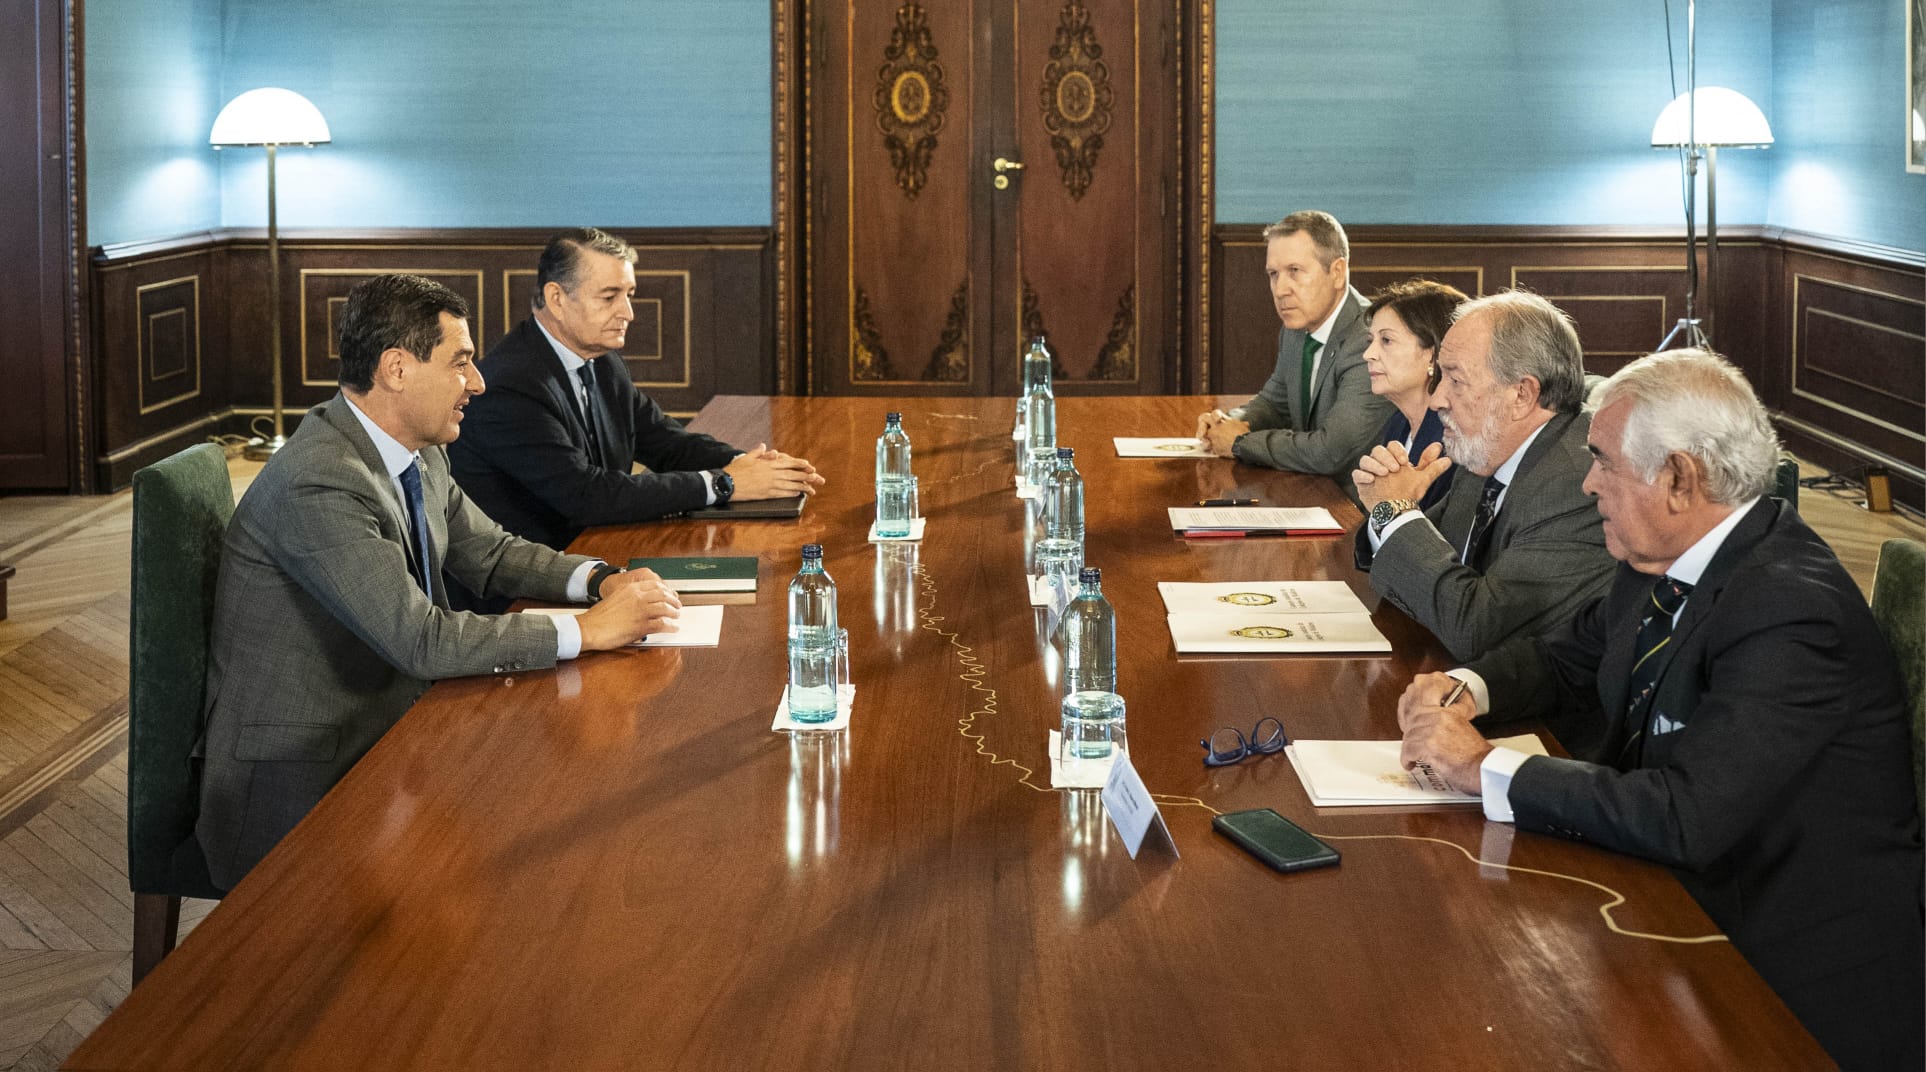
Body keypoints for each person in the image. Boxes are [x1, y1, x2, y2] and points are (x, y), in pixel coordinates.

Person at [1396, 349, 1924, 1071]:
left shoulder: (1791, 611)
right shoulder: (1661, 555)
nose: (1588, 485)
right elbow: (1566, 658)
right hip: (1664, 901)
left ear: (1679, 477)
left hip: (1777, 970)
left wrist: (1484, 766)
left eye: (1603, 462)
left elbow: (1686, 814)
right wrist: (1464, 687)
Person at [194, 274, 683, 891]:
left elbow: (493, 553)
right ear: (397, 369)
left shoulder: (418, 448)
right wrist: (586, 631)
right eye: (461, 363)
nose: (477, 383)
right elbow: (420, 641)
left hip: (392, 727)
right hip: (303, 779)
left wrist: (602, 580)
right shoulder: (319, 481)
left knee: (562, 825)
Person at [448, 228, 824, 554]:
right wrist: (724, 484)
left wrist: (747, 465)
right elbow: (588, 496)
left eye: (629, 294)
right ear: (557, 298)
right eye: (609, 297)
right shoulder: (511, 384)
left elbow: (665, 442)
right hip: (527, 587)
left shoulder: (602, 361)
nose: (628, 312)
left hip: (600, 548)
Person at [1352, 290, 1613, 661]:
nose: (1437, 399)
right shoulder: (1486, 452)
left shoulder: (1576, 486)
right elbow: (1422, 568)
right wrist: (1393, 510)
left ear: (1522, 394)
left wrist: (1394, 512)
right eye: (1441, 377)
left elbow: (1475, 629)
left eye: (1455, 381)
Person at [1195, 211, 1391, 484]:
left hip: (1356, 505)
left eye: (1294, 272)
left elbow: (1331, 451)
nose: (1280, 289)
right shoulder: (1296, 330)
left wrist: (1240, 441)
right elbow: (1275, 404)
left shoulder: (1370, 338)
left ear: (1337, 273)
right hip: (1308, 489)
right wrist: (1228, 423)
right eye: (1274, 274)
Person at [1359, 278, 1467, 513]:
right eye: (1371, 341)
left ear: (1433, 355)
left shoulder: (1454, 438)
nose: (1368, 354)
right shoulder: (1397, 424)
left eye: (1386, 340)